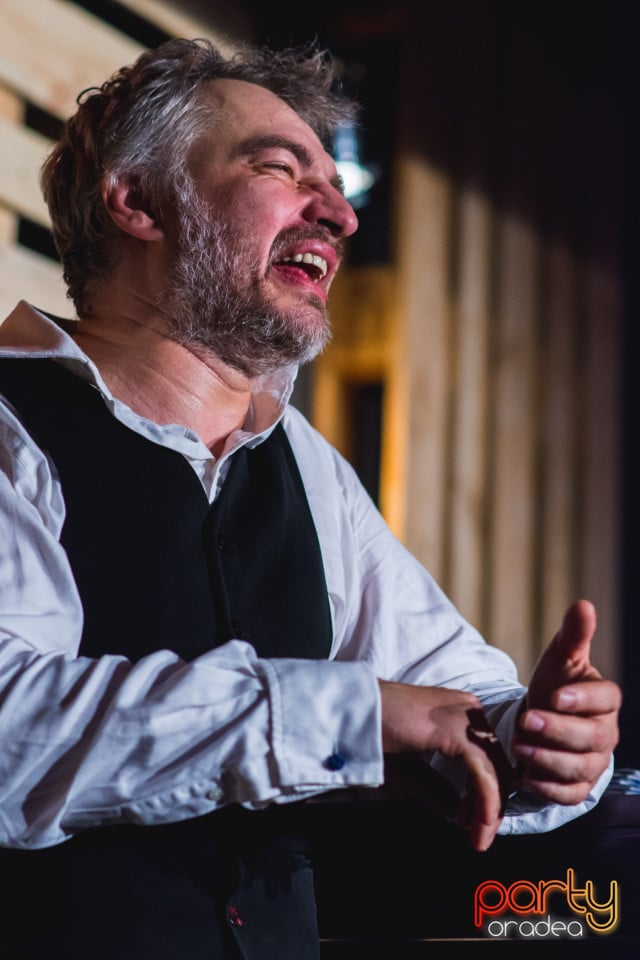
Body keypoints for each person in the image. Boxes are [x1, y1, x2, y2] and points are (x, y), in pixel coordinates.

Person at [0, 37, 621, 959]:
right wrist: (351, 714)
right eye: (280, 170)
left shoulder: (307, 464)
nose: (339, 213)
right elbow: (10, 731)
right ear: (137, 202)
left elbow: (453, 686)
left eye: (335, 185)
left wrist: (538, 739)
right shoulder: (10, 421)